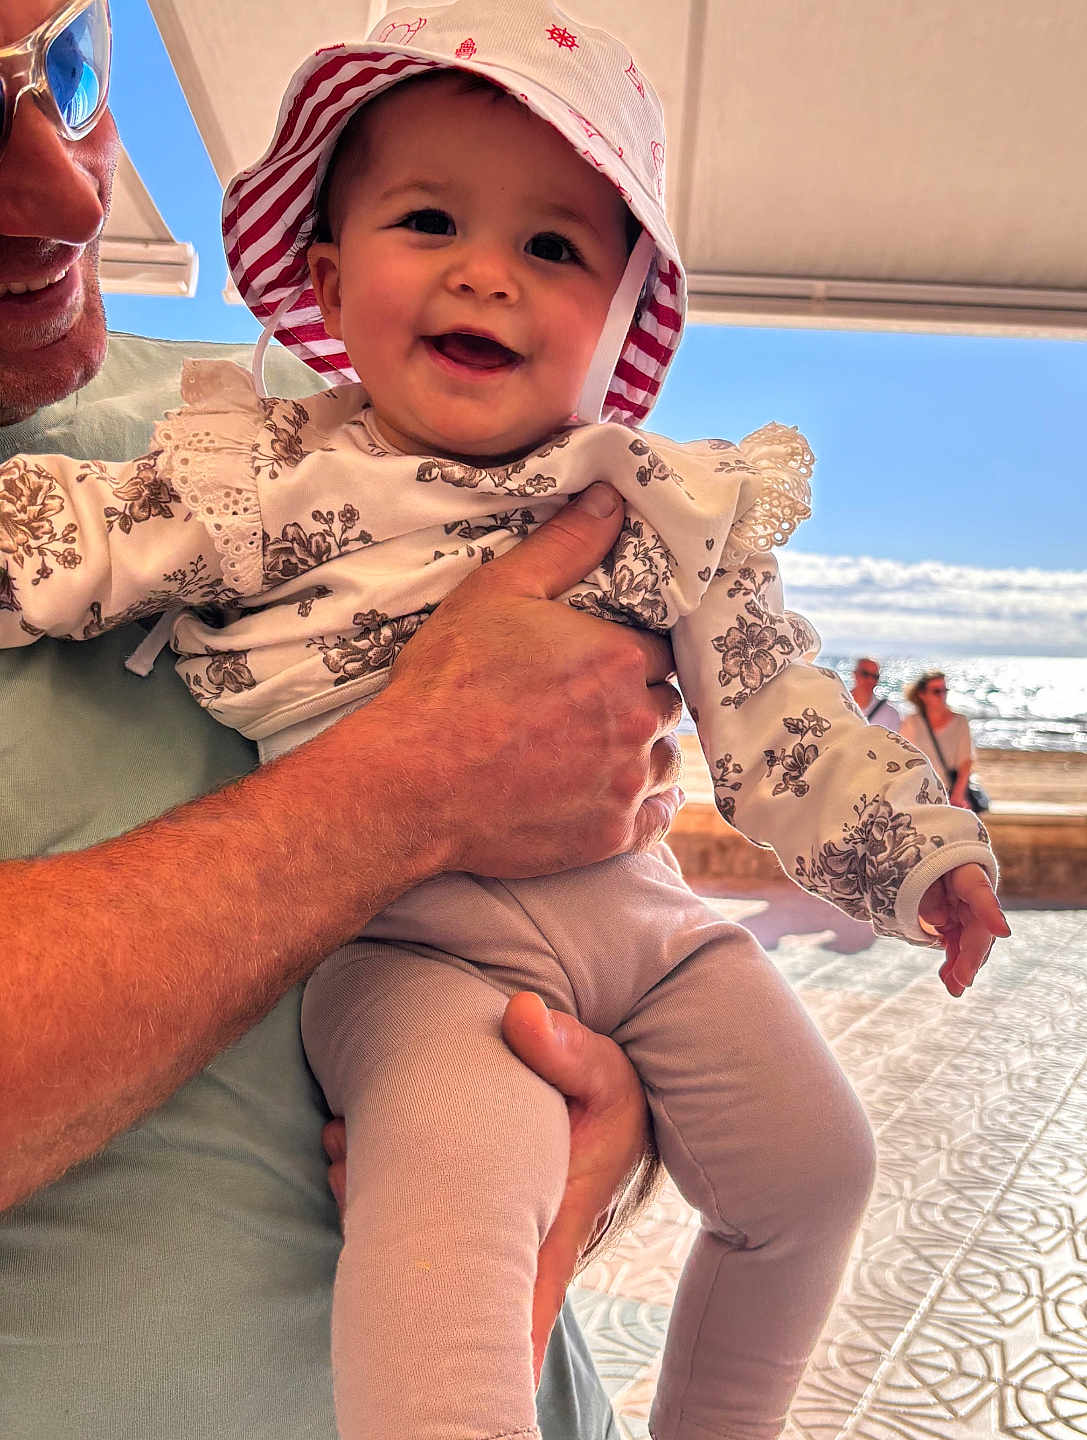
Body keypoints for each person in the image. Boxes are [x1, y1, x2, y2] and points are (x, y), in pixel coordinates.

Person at [0, 3, 1010, 1436]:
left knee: (815, 1168)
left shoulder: (654, 498)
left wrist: (921, 854)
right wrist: (415, 778)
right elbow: (88, 549)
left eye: (554, 248)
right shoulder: (257, 476)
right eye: (430, 223)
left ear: (619, 327)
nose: (487, 276)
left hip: (644, 928)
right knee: (453, 1201)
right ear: (332, 281)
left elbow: (774, 705)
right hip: (423, 957)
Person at [0, 0, 678, 1435]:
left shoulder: (297, 429)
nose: (70, 185)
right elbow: (462, 769)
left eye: (63, 67)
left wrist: (608, 1092)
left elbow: (596, 796)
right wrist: (403, 790)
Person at [902, 669, 984, 811]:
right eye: (936, 691)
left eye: (944, 690)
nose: (942, 695)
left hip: (950, 796)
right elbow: (904, 759)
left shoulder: (960, 722)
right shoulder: (912, 722)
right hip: (919, 795)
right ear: (922, 695)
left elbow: (966, 762)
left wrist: (957, 795)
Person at [849, 655, 902, 729]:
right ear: (854, 674)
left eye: (875, 676)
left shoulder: (891, 714)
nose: (870, 680)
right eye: (865, 674)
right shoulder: (837, 704)